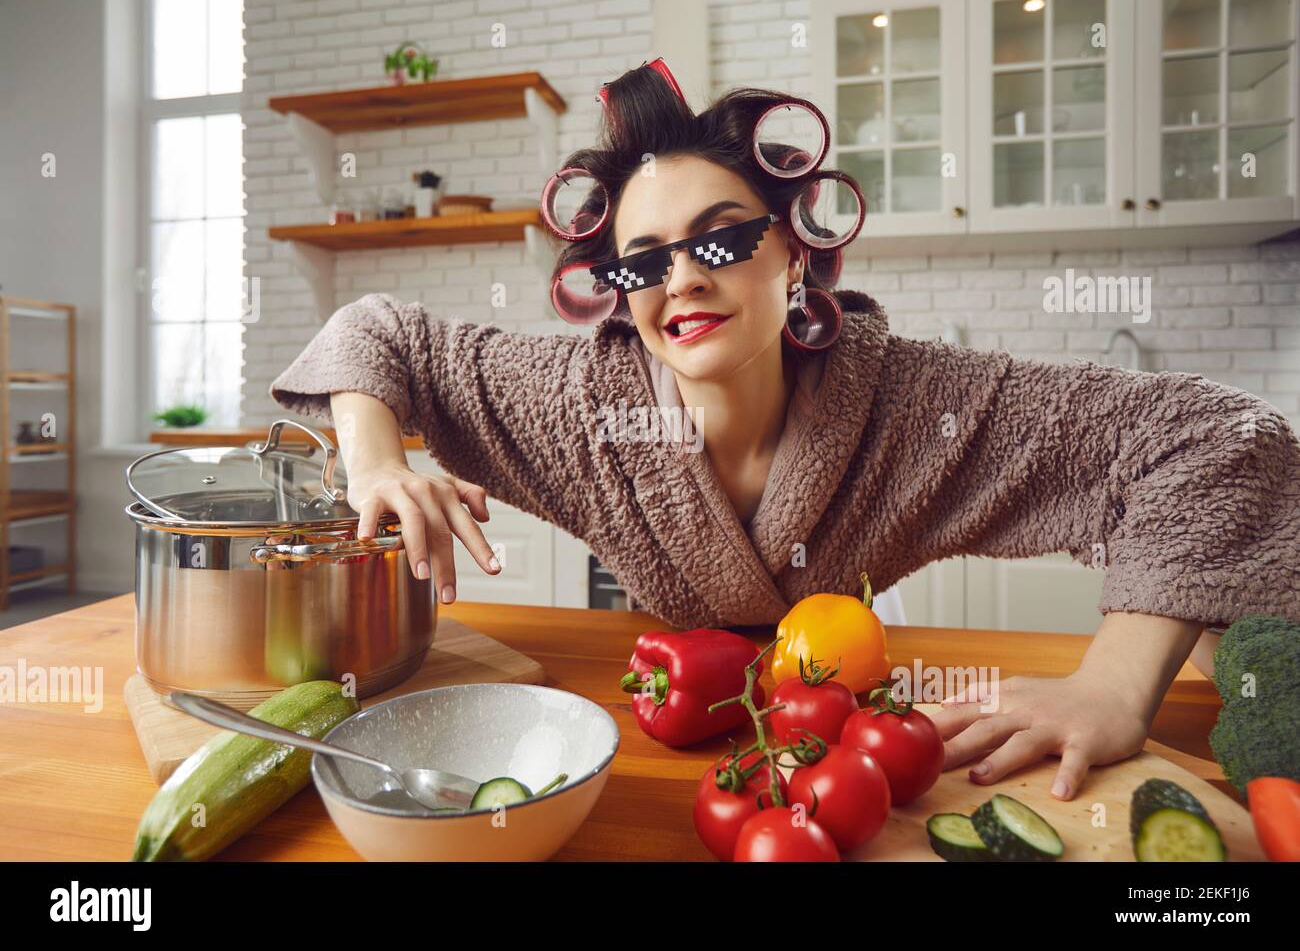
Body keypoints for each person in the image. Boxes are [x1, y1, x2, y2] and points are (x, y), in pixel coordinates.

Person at [270, 60, 1300, 802]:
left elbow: (1220, 434)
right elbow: (377, 331)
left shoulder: (911, 400)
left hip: (833, 750)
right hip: (671, 754)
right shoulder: (576, 398)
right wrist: (376, 459)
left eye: (721, 235)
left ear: (793, 253)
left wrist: (1112, 685)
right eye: (642, 260)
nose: (681, 278)